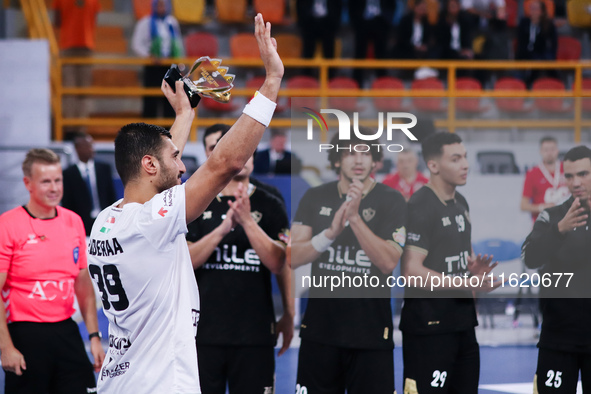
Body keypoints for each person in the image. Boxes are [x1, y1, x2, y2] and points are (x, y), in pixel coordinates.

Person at [86, 14, 283, 393]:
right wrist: (271, 82)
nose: (183, 166)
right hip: (158, 384)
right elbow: (226, 163)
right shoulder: (152, 222)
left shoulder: (108, 220)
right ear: (149, 165)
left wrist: (184, 115)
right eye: (175, 158)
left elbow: (158, 177)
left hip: (119, 380)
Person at [291, 131, 407, 394]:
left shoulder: (392, 200)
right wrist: (329, 234)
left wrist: (354, 219)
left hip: (371, 334)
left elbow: (389, 262)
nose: (359, 160)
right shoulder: (315, 197)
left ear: (375, 161)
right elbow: (293, 257)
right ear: (336, 160)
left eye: (366, 153)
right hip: (320, 332)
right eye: (350, 153)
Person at [186, 124, 293, 394]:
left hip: (254, 332)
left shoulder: (270, 202)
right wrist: (222, 230)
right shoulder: (194, 199)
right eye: (220, 147)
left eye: (245, 149)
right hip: (201, 333)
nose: (238, 155)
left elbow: (280, 263)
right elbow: (183, 260)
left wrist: (289, 313)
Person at [400, 132, 500, 394]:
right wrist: (465, 282)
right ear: (433, 165)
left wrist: (475, 274)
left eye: (465, 157)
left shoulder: (461, 202)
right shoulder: (420, 205)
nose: (465, 164)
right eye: (455, 159)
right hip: (429, 328)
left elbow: (463, 260)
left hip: (463, 324)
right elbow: (411, 271)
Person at [0, 148, 105, 393]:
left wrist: (94, 337)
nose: (54, 188)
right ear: (28, 183)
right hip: (25, 333)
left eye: (58, 180)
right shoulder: (8, 224)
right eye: (46, 181)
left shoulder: (73, 221)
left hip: (66, 330)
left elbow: (82, 282)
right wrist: (5, 347)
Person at [522, 145, 591, 394]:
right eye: (570, 175)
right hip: (558, 338)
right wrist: (559, 230)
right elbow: (530, 257)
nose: (575, 182)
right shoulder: (552, 217)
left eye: (583, 174)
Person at [131, 0, 184, 118]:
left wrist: (178, 61)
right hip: (152, 67)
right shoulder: (145, 22)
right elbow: (136, 44)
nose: (162, 8)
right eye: (159, 5)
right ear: (154, 6)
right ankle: (148, 135)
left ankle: (169, 134)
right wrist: (149, 56)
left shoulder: (172, 22)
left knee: (170, 102)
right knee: (151, 102)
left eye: (164, 5)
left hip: (169, 67)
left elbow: (178, 43)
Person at [52, 0, 100, 129]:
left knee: (70, 90)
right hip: (85, 45)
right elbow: (93, 19)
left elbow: (57, 21)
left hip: (68, 44)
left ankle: (69, 128)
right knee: (82, 91)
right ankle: (80, 129)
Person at [62, 132, 117, 235]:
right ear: (77, 148)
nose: (91, 149)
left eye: (91, 145)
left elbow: (111, 196)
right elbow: (67, 203)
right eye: (87, 146)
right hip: (81, 223)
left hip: (103, 220)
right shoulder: (68, 174)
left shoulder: (104, 169)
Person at [348, 0, 396, 86]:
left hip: (381, 22)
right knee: (359, 54)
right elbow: (352, 5)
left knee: (381, 56)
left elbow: (391, 5)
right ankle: (357, 85)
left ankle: (382, 85)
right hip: (362, 23)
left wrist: (387, 21)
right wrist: (356, 22)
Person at [521, 136, 569, 222]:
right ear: (540, 151)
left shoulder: (568, 169)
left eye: (552, 149)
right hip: (543, 223)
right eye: (546, 150)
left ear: (557, 150)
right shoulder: (532, 173)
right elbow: (523, 205)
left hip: (567, 221)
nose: (549, 153)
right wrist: (542, 207)